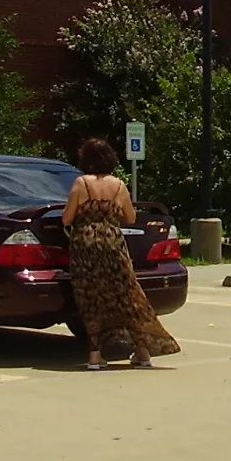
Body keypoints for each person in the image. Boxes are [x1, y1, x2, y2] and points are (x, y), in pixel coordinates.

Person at [62, 138, 180, 371]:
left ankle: (95, 355)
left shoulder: (80, 183)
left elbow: (67, 218)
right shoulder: (118, 186)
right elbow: (131, 218)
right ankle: (143, 350)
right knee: (127, 295)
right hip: (112, 242)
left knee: (91, 296)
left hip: (85, 244)